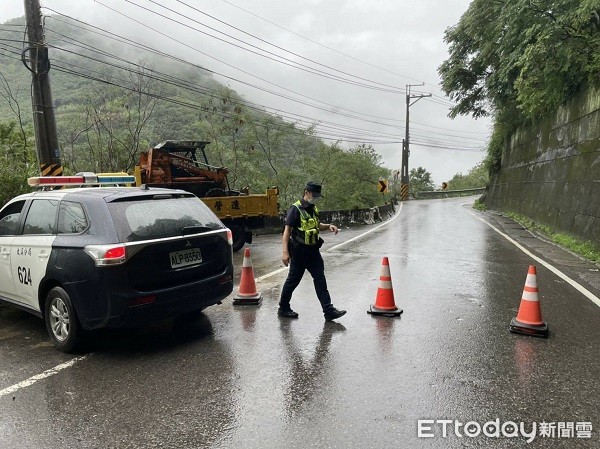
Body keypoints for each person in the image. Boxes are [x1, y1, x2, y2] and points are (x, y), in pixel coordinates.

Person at [278, 181, 346, 321]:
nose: (315, 198)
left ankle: (328, 311)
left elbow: (316, 225)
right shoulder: (295, 209)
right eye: (314, 195)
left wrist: (328, 226)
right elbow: (287, 231)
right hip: (299, 252)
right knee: (293, 281)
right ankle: (283, 308)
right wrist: (285, 252)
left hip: (313, 251)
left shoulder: (313, 208)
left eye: (317, 196)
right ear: (306, 192)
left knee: (320, 279)